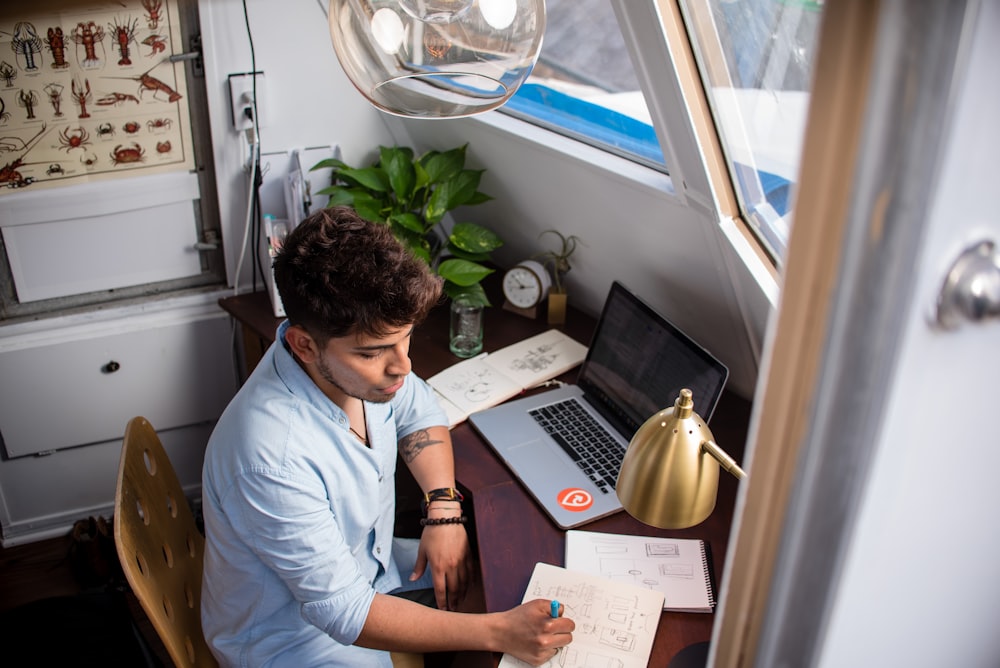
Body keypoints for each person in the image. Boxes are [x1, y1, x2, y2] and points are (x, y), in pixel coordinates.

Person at [201, 206, 574, 666]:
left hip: (369, 568)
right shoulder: (269, 457)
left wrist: (443, 509)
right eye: (375, 352)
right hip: (295, 641)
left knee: (498, 578)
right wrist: (500, 632)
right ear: (303, 344)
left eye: (406, 338)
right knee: (498, 623)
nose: (403, 366)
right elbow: (345, 612)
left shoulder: (356, 370)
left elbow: (419, 407)